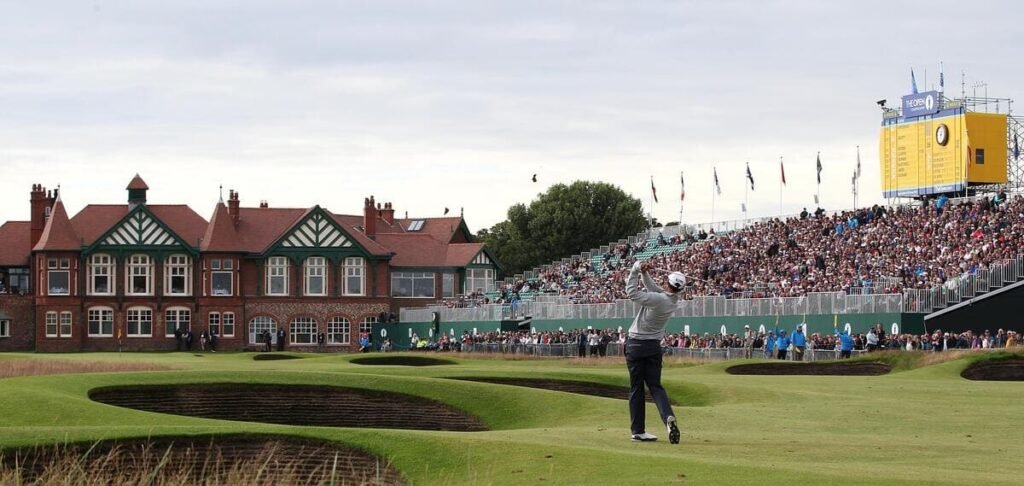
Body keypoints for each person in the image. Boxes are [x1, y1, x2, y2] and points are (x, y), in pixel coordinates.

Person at [624, 260, 682, 444]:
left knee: (636, 388)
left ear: (668, 283)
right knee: (655, 386)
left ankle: (638, 431)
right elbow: (655, 289)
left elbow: (631, 292)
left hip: (635, 345)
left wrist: (635, 269)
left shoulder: (658, 299)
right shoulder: (672, 300)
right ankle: (668, 418)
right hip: (653, 347)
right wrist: (644, 273)